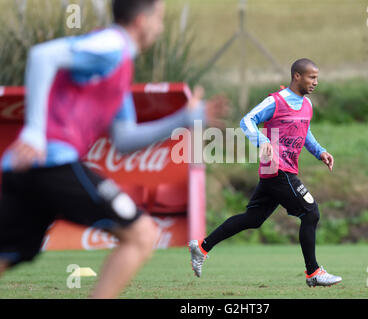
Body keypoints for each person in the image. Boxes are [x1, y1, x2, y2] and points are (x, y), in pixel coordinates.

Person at [0, 0, 226, 298]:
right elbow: (42, 56)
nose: (161, 28)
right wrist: (34, 131)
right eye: (159, 19)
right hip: (51, 162)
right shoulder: (112, 44)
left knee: (7, 255)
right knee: (142, 234)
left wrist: (182, 120)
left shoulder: (120, 65)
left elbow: (125, 140)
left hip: (30, 167)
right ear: (142, 21)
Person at [189, 58, 342, 287]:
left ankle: (201, 247)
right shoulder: (276, 101)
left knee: (253, 218)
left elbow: (305, 131)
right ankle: (314, 273)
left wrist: (320, 152)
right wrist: (262, 141)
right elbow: (247, 120)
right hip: (278, 168)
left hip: (283, 169)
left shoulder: (307, 105)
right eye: (311, 77)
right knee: (310, 213)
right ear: (297, 76)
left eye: (317, 78)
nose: (316, 82)